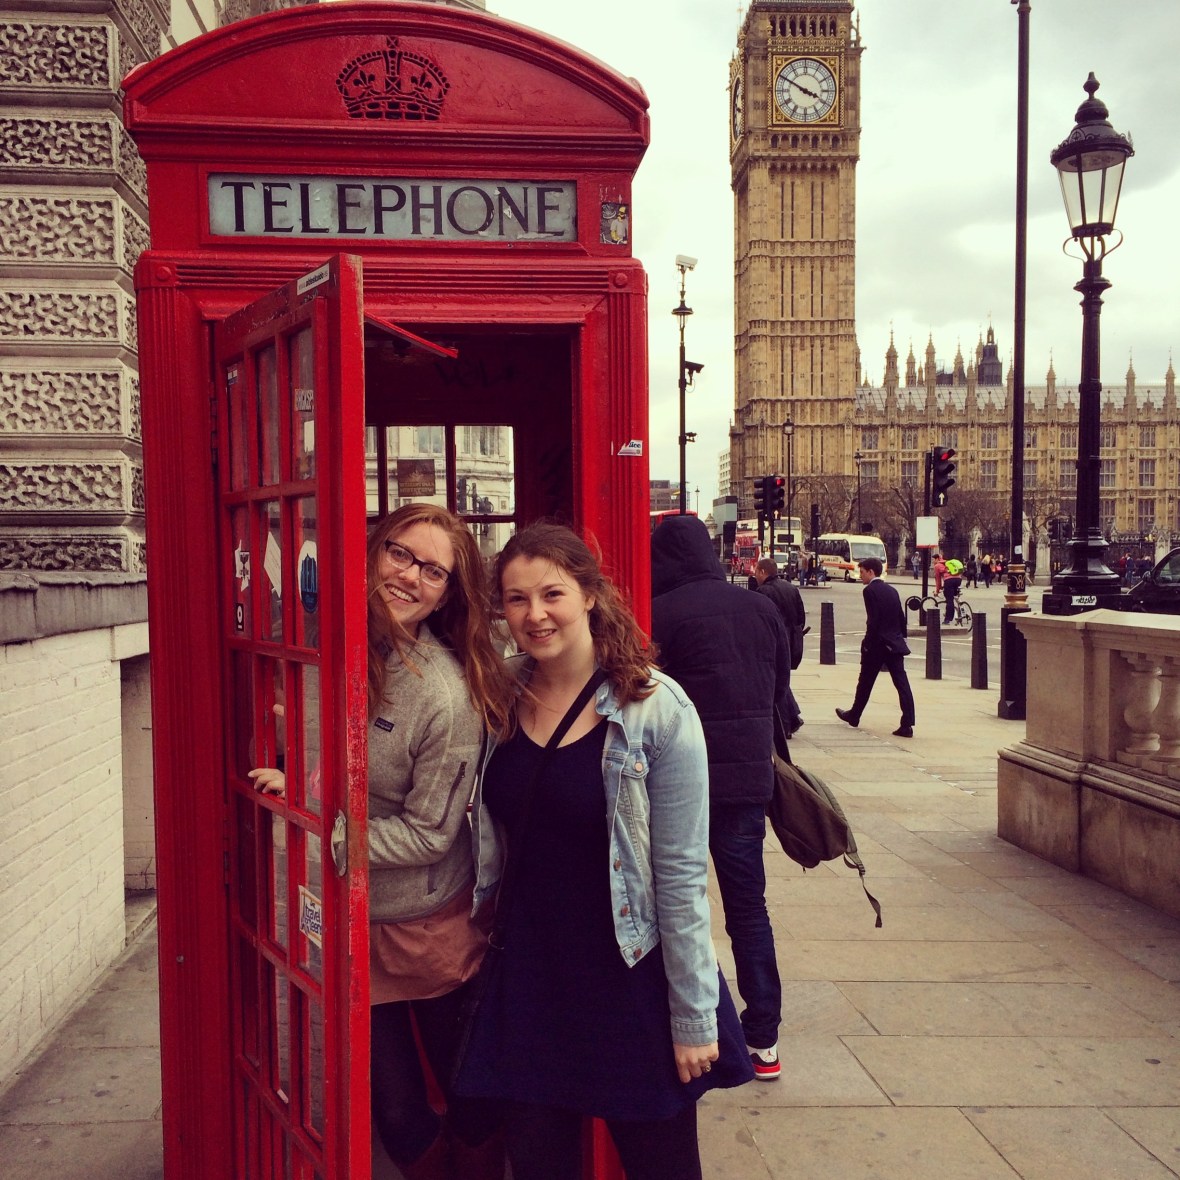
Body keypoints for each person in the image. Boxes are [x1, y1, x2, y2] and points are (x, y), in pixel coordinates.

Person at [455, 522, 753, 1180]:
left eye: (552, 594)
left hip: (629, 978)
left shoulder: (655, 708)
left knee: (661, 1166)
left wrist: (693, 1015)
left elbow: (679, 878)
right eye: (514, 599)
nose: (534, 615)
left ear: (590, 595)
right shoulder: (498, 695)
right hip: (530, 978)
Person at [250, 504, 510, 1180]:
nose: (409, 576)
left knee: (469, 1096)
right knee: (393, 1109)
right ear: (373, 551)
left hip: (422, 928)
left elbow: (429, 833)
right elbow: (334, 755)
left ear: (448, 593)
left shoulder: (444, 696)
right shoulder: (326, 643)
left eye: (433, 571)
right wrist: (298, 773)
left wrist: (322, 828)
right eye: (400, 554)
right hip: (345, 913)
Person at [650, 516, 792, 1084]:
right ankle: (763, 1039)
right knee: (747, 908)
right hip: (746, 784)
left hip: (677, 785)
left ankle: (690, 1022)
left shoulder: (659, 614)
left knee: (673, 905)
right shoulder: (761, 608)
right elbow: (781, 686)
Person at [835, 557, 916, 738]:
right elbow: (901, 618)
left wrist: (867, 643)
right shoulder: (892, 590)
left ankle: (854, 715)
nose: (861, 575)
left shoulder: (869, 590)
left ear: (871, 572)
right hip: (894, 643)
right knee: (902, 683)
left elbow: (874, 620)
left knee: (865, 681)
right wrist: (900, 637)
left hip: (878, 644)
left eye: (862, 572)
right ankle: (907, 723)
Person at [752, 556, 806, 733]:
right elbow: (800, 617)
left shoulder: (763, 592)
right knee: (782, 678)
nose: (754, 575)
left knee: (777, 681)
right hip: (791, 640)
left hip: (773, 641)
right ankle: (793, 717)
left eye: (756, 571)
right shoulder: (791, 588)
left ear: (762, 572)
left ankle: (785, 725)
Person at [942, 558, 963, 623]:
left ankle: (948, 619)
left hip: (949, 581)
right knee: (954, 594)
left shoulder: (939, 566)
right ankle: (962, 607)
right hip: (958, 580)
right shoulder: (953, 564)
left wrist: (937, 590)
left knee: (949, 599)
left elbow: (938, 579)